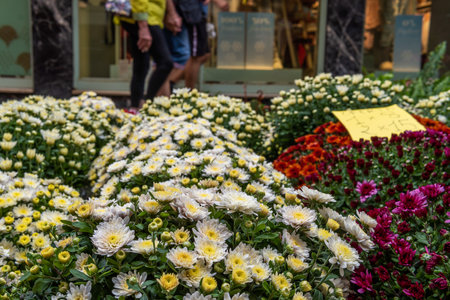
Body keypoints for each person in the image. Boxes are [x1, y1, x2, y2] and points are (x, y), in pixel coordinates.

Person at [120, 0, 181, 110]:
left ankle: (136, 107)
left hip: (145, 17)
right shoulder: (144, 21)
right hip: (144, 18)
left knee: (141, 65)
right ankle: (147, 105)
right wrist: (143, 27)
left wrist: (172, 14)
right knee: (165, 63)